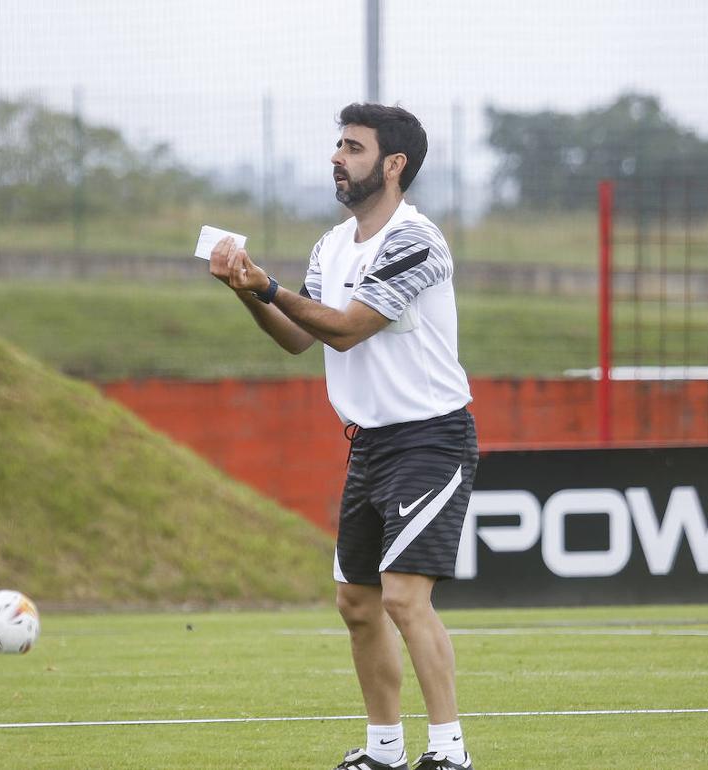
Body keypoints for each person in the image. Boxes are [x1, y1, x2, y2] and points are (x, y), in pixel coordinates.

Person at [210, 103, 479, 770]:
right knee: (356, 602)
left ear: (393, 165)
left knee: (403, 598)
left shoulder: (416, 240)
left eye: (353, 148)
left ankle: (450, 751)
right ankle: (385, 752)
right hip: (370, 444)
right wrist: (248, 291)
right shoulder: (332, 246)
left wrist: (267, 284)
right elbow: (302, 336)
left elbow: (348, 326)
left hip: (430, 438)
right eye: (338, 145)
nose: (337, 157)